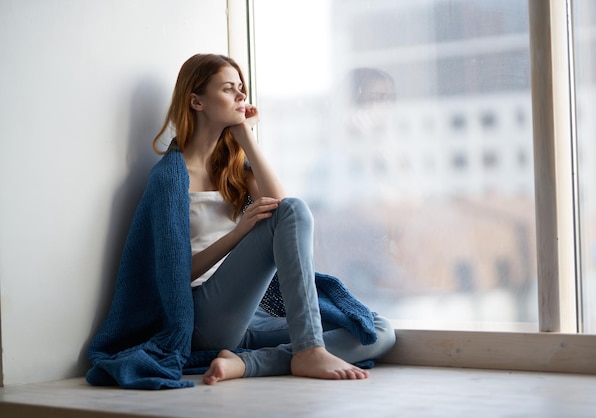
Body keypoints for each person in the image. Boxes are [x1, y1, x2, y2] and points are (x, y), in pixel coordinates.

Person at [86, 53, 395, 389]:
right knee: (294, 212)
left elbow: (280, 207)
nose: (240, 96)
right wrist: (238, 233)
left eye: (241, 89)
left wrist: (245, 136)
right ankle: (308, 350)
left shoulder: (233, 170)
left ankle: (249, 363)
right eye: (228, 89)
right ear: (197, 101)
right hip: (203, 318)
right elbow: (175, 276)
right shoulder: (169, 179)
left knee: (378, 331)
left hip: (251, 315)